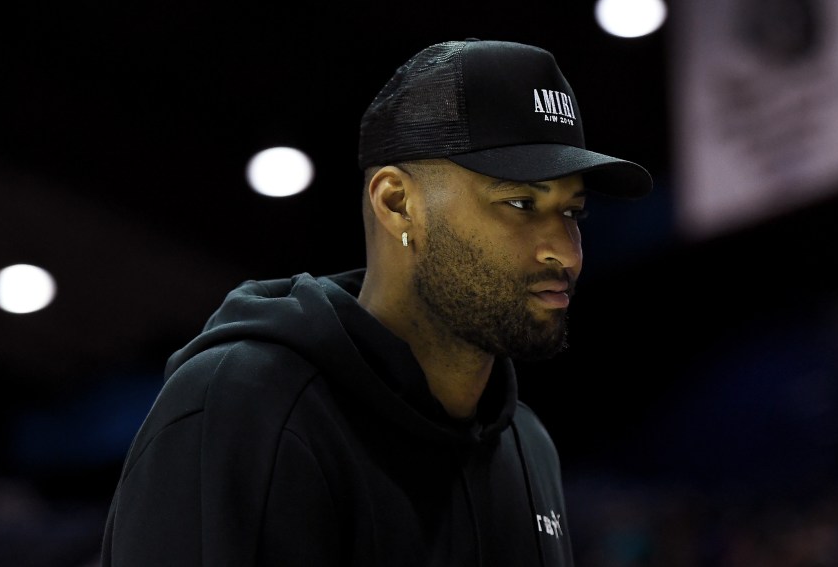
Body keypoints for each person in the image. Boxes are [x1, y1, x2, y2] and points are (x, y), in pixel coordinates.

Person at [100, 38, 652, 566]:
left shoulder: (528, 448)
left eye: (573, 212)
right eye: (520, 203)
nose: (566, 253)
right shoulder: (244, 408)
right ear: (396, 202)